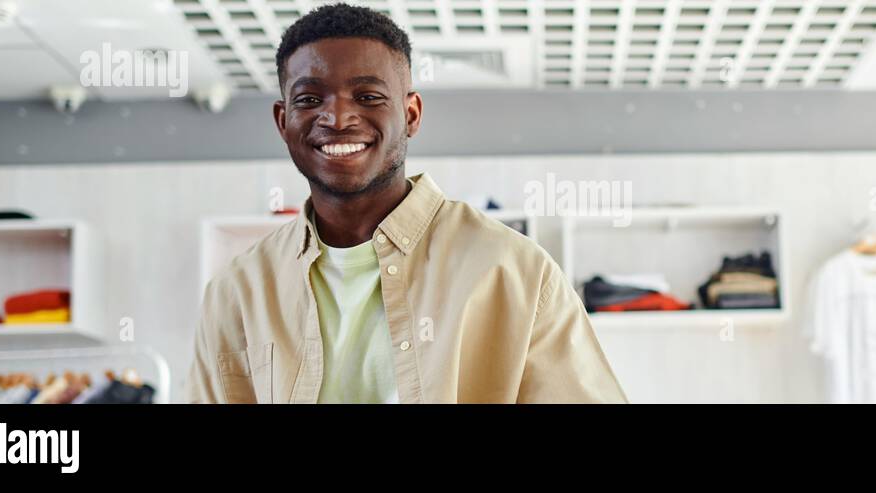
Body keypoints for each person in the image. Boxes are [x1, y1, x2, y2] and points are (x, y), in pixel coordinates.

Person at [185, 3, 626, 403]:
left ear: (411, 114)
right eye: (310, 99)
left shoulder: (515, 270)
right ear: (284, 121)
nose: (337, 118)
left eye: (367, 96)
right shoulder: (235, 292)